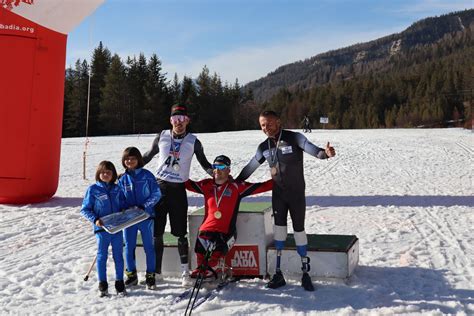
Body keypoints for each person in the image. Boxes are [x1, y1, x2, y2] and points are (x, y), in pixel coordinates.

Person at [236, 110, 336, 291]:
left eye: (269, 123)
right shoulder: (263, 147)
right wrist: (234, 183)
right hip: (278, 196)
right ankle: (278, 273)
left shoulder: (294, 138)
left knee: (299, 231)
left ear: (278, 122)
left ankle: (305, 272)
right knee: (279, 233)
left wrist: (326, 154)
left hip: (296, 195)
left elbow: (314, 150)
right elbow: (250, 167)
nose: (266, 128)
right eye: (262, 125)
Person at [142, 104, 213, 286]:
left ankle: (185, 273)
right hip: (159, 189)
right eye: (175, 119)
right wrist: (130, 168)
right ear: (170, 120)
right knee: (157, 233)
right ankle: (157, 273)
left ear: (187, 121)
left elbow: (204, 163)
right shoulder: (162, 136)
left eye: (182, 119)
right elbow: (148, 156)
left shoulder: (193, 141)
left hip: (178, 190)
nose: (178, 123)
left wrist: (218, 173)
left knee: (181, 233)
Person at [185, 155, 273, 281]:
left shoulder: (237, 187)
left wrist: (280, 177)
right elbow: (187, 184)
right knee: (200, 247)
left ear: (228, 170)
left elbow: (263, 186)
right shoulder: (206, 185)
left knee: (216, 248)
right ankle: (202, 268)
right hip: (206, 230)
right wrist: (173, 172)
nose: (217, 170)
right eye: (215, 166)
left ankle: (215, 267)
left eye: (221, 167)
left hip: (226, 232)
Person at [80, 161, 126, 297]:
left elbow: (123, 204)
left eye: (109, 172)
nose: (105, 175)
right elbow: (85, 209)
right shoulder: (93, 189)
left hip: (117, 228)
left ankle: (119, 283)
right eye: (103, 172)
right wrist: (95, 220)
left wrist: (124, 210)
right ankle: (103, 284)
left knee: (118, 256)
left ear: (113, 174)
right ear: (98, 174)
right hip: (102, 230)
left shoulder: (117, 189)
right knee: (102, 256)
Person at [118, 147, 162, 290]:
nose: (130, 161)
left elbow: (156, 193)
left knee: (149, 247)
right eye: (127, 159)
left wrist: (145, 206)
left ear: (138, 160)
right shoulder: (122, 179)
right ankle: (131, 275)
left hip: (146, 217)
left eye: (133, 158)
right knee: (128, 247)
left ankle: (150, 276)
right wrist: (123, 208)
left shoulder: (147, 175)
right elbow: (119, 198)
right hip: (129, 219)